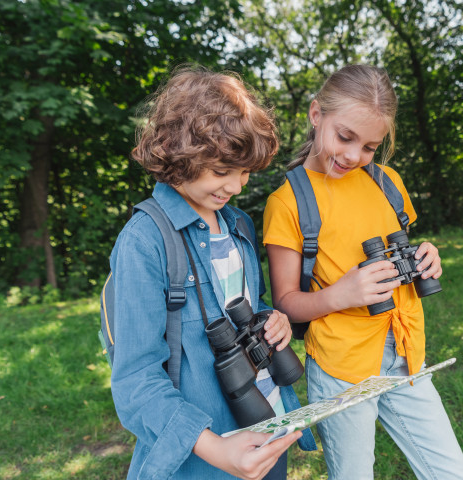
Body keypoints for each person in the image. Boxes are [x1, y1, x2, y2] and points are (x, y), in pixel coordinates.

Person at [263, 65, 463, 480]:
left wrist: (425, 255)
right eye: (345, 137)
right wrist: (342, 294)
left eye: (369, 147)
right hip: (342, 367)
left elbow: (400, 250)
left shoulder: (386, 182)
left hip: (406, 353)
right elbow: (286, 304)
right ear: (315, 114)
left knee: (452, 472)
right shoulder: (288, 201)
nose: (353, 156)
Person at [108, 65, 315, 480]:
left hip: (267, 428)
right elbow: (136, 380)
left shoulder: (238, 224)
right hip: (205, 454)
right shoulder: (144, 242)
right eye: (222, 172)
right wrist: (217, 450)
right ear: (180, 155)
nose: (237, 186)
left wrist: (272, 319)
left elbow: (245, 304)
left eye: (245, 173)